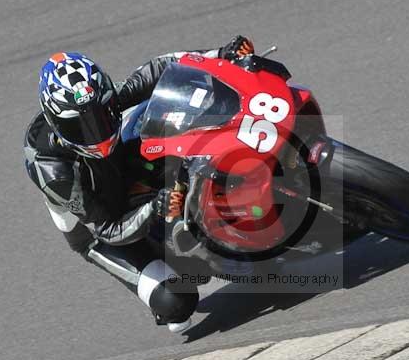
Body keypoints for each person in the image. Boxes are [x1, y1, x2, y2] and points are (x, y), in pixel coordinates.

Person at [24, 36, 254, 332]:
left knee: (167, 121)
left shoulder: (100, 96)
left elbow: (163, 67)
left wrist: (220, 54)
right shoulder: (54, 172)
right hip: (101, 223)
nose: (95, 131)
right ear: (57, 125)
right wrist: (154, 207)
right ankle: (175, 260)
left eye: (100, 116)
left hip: (122, 166)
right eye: (79, 127)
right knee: (176, 304)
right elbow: (108, 229)